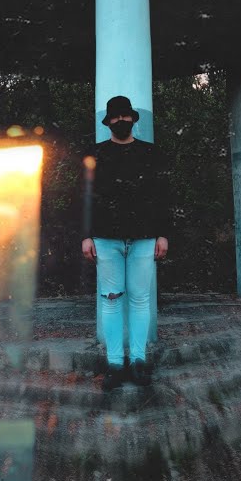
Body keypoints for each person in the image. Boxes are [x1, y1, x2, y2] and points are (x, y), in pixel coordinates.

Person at [81, 96, 170, 392]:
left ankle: (139, 362)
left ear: (132, 118)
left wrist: (163, 234)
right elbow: (85, 197)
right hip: (105, 239)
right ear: (108, 122)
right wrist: (85, 235)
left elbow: (162, 194)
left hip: (144, 239)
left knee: (141, 300)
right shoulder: (96, 154)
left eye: (125, 116)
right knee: (111, 300)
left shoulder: (151, 153)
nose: (120, 121)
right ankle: (115, 364)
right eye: (115, 117)